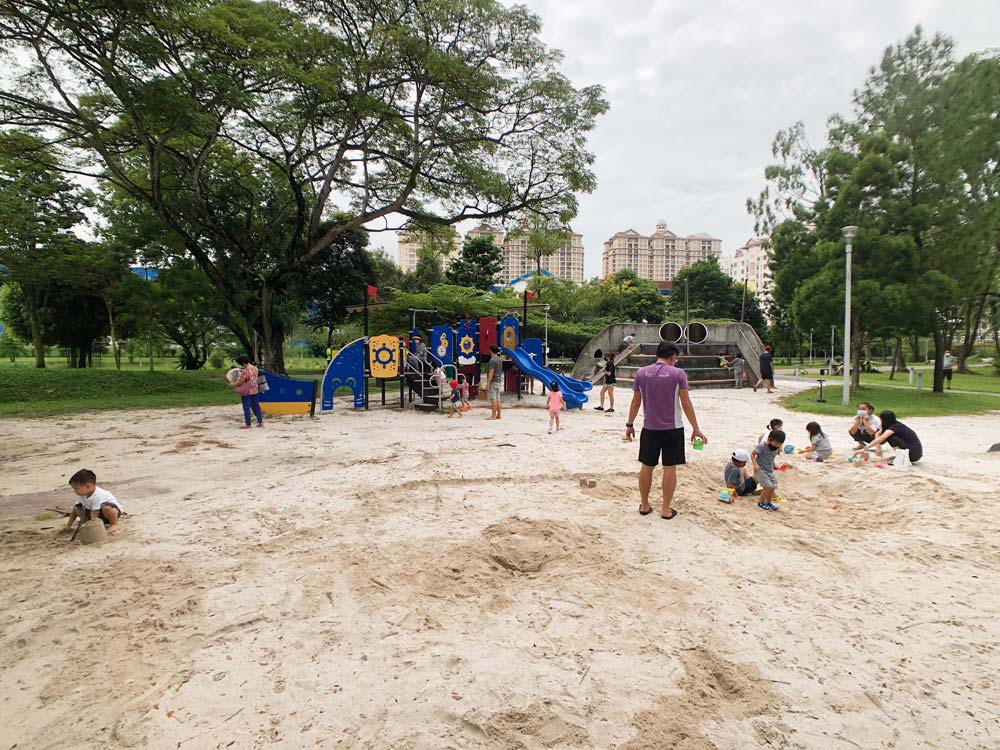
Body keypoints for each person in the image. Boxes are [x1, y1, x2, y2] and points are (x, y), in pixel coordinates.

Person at [625, 341, 708, 520]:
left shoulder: (641, 373)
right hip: (673, 428)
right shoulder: (678, 374)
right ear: (672, 357)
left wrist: (629, 424)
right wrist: (696, 429)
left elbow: (635, 402)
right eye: (675, 358)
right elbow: (685, 403)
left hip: (649, 428)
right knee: (669, 468)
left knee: (647, 467)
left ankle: (645, 505)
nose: (675, 362)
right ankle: (665, 509)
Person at [64, 469, 124, 535]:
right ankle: (88, 523)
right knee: (77, 508)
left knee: (106, 508)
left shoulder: (97, 495)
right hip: (95, 513)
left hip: (110, 513)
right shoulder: (82, 495)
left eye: (76, 489)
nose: (75, 491)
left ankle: (113, 524)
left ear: (88, 486)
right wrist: (69, 526)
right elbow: (74, 511)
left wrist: (93, 528)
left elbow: (95, 514)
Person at [858, 411, 923, 464]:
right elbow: (878, 433)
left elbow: (881, 438)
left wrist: (864, 449)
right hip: (914, 452)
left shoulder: (895, 427)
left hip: (914, 454)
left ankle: (902, 457)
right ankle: (901, 456)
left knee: (891, 438)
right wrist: (878, 447)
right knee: (890, 437)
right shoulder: (892, 425)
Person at [752, 428, 785, 512]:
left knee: (773, 487)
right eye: (776, 443)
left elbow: (770, 459)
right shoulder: (762, 446)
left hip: (770, 470)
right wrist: (755, 465)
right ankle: (761, 502)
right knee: (767, 486)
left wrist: (774, 466)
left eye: (779, 444)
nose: (777, 446)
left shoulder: (775, 448)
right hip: (761, 470)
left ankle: (768, 503)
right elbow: (752, 454)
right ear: (769, 439)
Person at [232, 355, 263, 429]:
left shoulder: (245, 371)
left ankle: (248, 424)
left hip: (246, 390)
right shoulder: (255, 368)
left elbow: (241, 382)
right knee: (256, 405)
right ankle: (260, 422)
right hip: (255, 388)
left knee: (246, 407)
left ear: (243, 363)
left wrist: (234, 384)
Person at [484, 345, 503, 420]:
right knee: (498, 398)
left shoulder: (492, 360)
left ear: (491, 351)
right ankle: (498, 415)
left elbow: (491, 372)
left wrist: (488, 384)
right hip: (499, 380)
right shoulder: (499, 359)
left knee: (493, 399)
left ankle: (493, 416)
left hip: (493, 381)